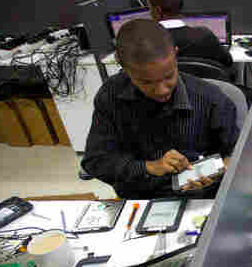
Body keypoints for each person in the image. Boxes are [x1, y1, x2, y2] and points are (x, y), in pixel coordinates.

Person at [82, 19, 239, 199]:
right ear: (122, 65)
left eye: (168, 76)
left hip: (198, 197)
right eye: (146, 82)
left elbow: (237, 154)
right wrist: (149, 167)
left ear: (175, 54)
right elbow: (95, 161)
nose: (162, 90)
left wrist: (219, 174)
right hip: (139, 196)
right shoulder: (110, 95)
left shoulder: (211, 99)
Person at [148, 0, 233, 70]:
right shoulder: (205, 35)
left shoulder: (147, 41)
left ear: (158, 11)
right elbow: (228, 61)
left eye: (150, 9)